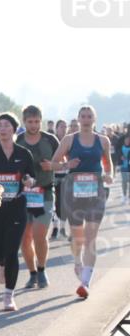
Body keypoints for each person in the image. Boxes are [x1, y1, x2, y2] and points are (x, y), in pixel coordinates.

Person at [51, 105, 114, 298]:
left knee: (91, 237)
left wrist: (109, 175)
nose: (86, 119)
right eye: (83, 116)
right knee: (78, 236)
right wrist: (66, 165)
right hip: (74, 193)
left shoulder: (103, 140)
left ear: (94, 119)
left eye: (89, 116)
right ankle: (77, 261)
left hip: (96, 193)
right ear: (78, 119)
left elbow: (108, 164)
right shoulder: (69, 140)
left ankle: (85, 283)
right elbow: (53, 164)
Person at [0, 113, 37, 311]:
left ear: (14, 129)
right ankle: (1, 262)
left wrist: (29, 181)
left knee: (12, 250)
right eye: (0, 125)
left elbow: (32, 176)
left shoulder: (24, 153)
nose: (3, 128)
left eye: (7, 125)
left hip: (16, 206)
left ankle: (8, 296)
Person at [16, 105, 60, 290]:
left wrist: (53, 165)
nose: (33, 125)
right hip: (24, 195)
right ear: (24, 121)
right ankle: (32, 273)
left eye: (36, 122)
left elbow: (63, 163)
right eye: (29, 122)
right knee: (25, 238)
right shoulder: (19, 140)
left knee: (39, 234)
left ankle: (42, 270)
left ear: (40, 121)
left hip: (45, 193)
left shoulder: (50, 140)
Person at [53, 118, 70, 240]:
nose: (64, 129)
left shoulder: (70, 141)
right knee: (54, 203)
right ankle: (55, 228)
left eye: (65, 126)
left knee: (64, 203)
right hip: (53, 176)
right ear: (56, 128)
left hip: (66, 176)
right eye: (61, 127)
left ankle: (63, 228)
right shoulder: (52, 141)